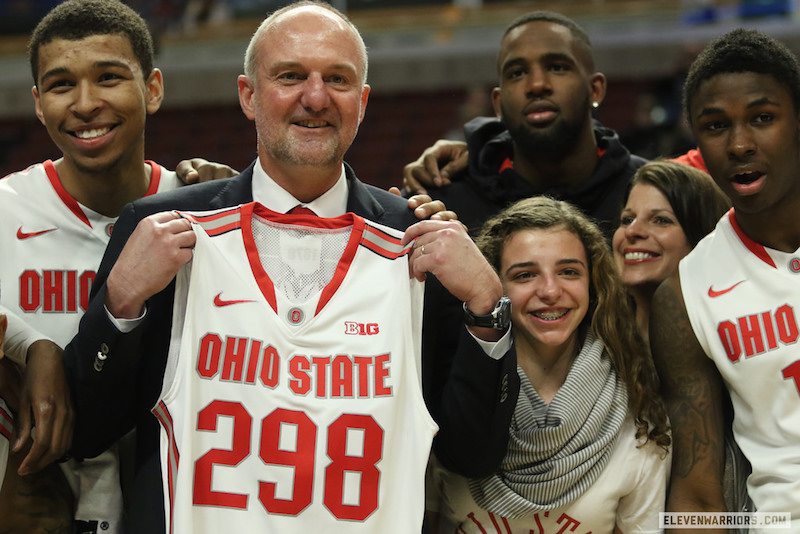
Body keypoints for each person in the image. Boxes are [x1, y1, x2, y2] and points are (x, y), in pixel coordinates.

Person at [63, 2, 518, 533]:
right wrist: (119, 305)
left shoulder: (416, 246)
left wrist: (488, 306)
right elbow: (87, 431)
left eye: (338, 80)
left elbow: (474, 454)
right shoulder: (161, 229)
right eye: (291, 76)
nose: (317, 97)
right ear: (248, 96)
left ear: (363, 102)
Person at [427, 196, 670, 533]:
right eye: (525, 275)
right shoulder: (450, 395)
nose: (551, 290)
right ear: (494, 285)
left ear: (593, 283)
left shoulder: (639, 406)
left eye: (569, 272)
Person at [650, 28, 800, 527]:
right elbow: (697, 491)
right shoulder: (687, 293)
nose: (739, 144)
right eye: (716, 126)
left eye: (762, 118)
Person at [400, 11, 648, 241]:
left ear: (595, 89)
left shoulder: (650, 193)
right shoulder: (439, 206)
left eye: (557, 67)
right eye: (517, 73)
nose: (537, 84)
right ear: (497, 104)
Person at [612, 160, 729, 346]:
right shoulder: (591, 340)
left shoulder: (733, 346)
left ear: (702, 239)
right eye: (627, 220)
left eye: (660, 220)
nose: (631, 231)